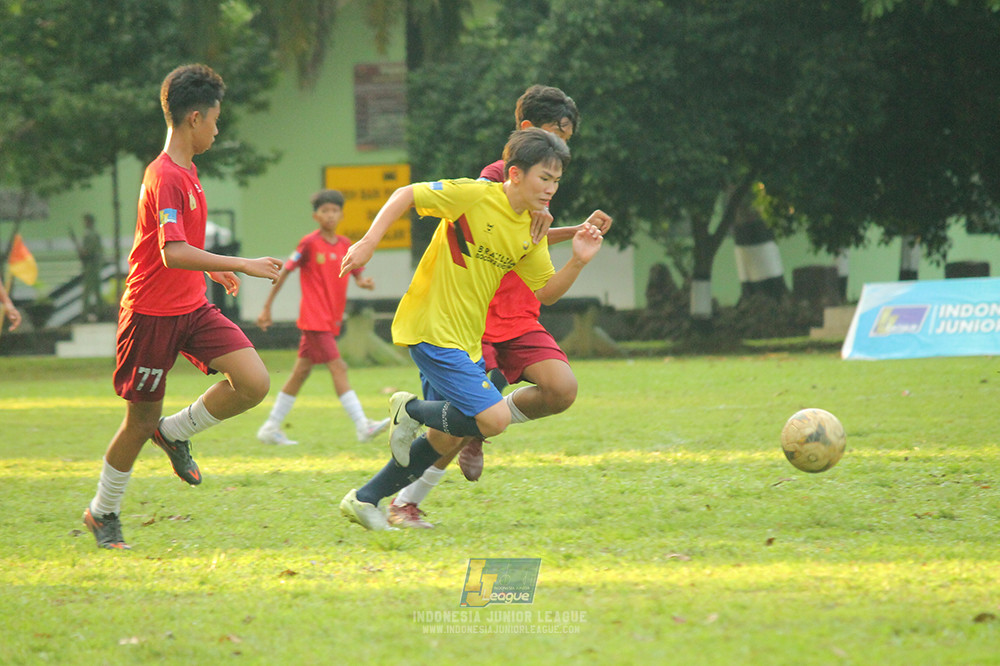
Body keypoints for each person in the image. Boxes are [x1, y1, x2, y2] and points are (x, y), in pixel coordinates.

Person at [338, 127, 609, 531]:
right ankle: (407, 409)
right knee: (494, 420)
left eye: (556, 181)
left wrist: (579, 259)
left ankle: (364, 499)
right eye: (544, 178)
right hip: (430, 326)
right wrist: (370, 241)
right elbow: (406, 194)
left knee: (445, 437)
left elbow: (547, 293)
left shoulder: (529, 230)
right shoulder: (475, 195)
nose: (551, 189)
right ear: (514, 174)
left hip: (465, 339)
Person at [81, 64, 284, 550]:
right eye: (216, 120)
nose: (218, 128)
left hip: (190, 308)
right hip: (151, 315)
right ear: (195, 118)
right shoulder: (166, 176)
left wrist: (209, 268)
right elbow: (171, 254)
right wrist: (242, 262)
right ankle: (102, 512)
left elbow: (176, 246)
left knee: (254, 382)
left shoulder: (188, 173)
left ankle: (176, 433)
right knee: (138, 422)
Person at [255, 189, 390, 445]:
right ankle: (363, 426)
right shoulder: (308, 243)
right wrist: (267, 307)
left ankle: (270, 427)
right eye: (325, 211)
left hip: (331, 319)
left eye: (334, 210)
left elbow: (357, 273)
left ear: (341, 214)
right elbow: (285, 272)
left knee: (300, 372)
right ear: (316, 215)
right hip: (314, 318)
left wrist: (364, 282)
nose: (330, 215)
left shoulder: (345, 244)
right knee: (339, 367)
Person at [70, 213, 105, 321]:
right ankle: (100, 312)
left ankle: (85, 315)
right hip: (95, 265)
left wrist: (80, 250)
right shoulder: (96, 234)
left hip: (90, 265)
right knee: (97, 290)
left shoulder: (88, 235)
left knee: (87, 291)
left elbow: (86, 252)